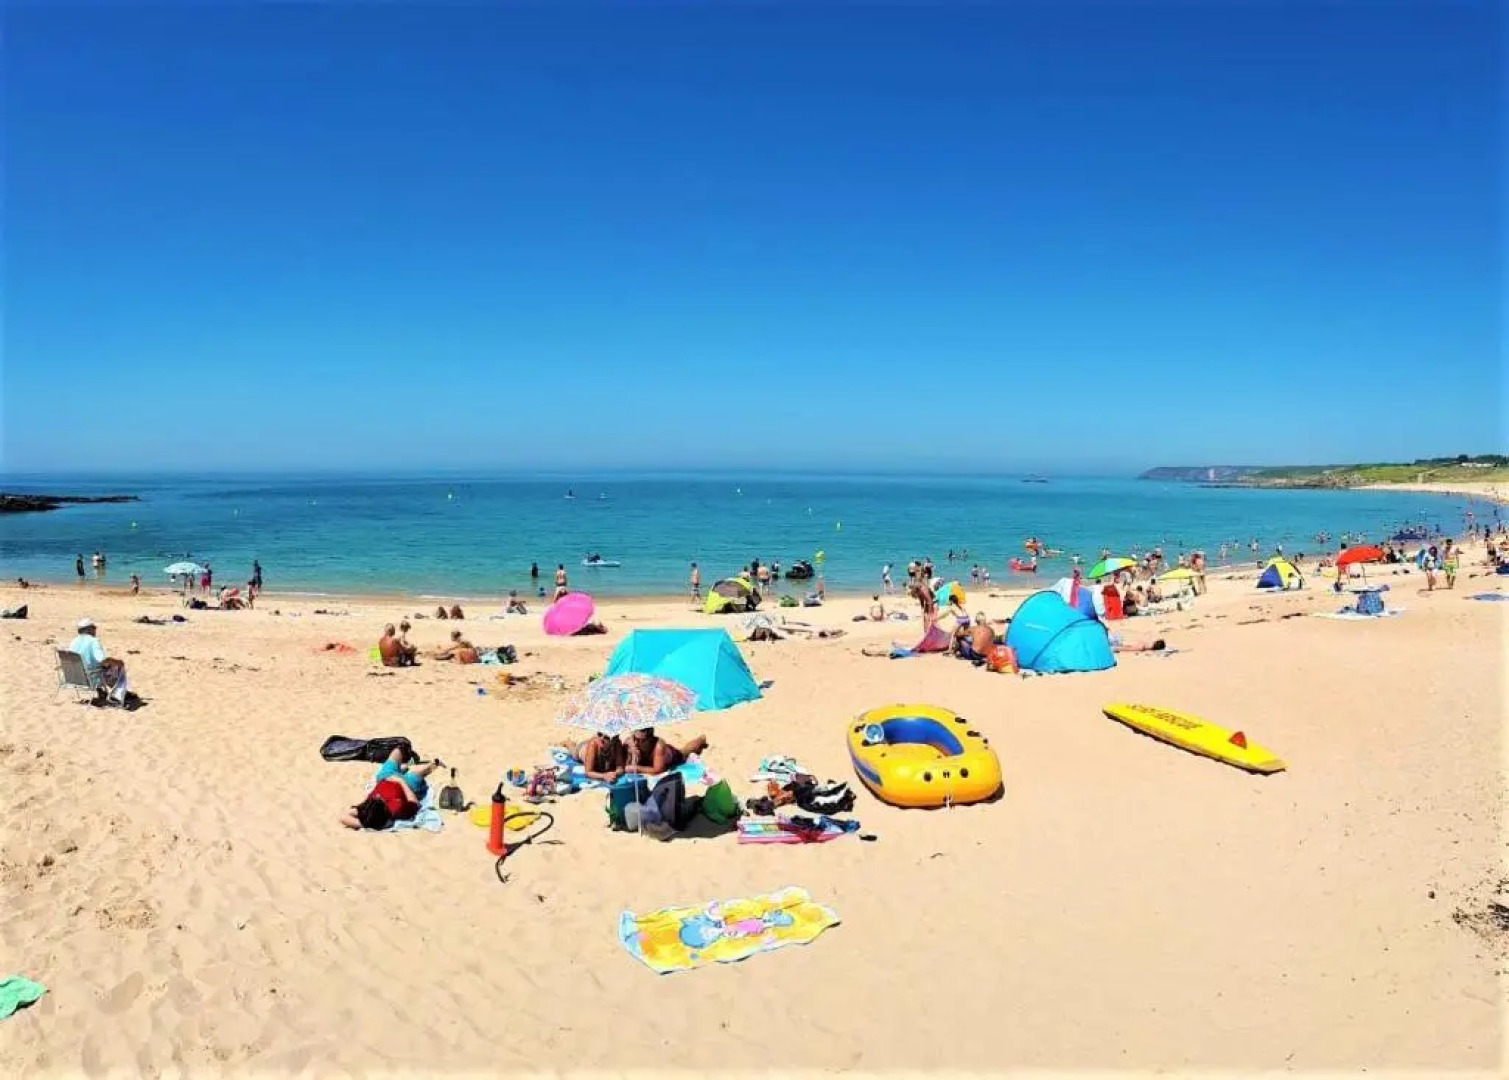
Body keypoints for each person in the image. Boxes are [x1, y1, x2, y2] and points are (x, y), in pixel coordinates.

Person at [68, 617, 129, 704]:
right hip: (90, 678)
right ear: (89, 629)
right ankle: (118, 695)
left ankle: (102, 691)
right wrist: (117, 662)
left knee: (96, 666)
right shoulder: (93, 641)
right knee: (118, 667)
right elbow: (102, 660)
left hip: (73, 677)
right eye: (94, 628)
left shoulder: (74, 641)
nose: (95, 630)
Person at [623, 727, 709, 776]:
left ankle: (700, 740)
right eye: (635, 739)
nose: (637, 743)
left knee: (684, 752)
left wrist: (636, 768)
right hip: (650, 759)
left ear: (650, 739)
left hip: (670, 756)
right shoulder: (629, 742)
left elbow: (658, 770)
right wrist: (632, 753)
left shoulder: (659, 746)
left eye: (641, 740)